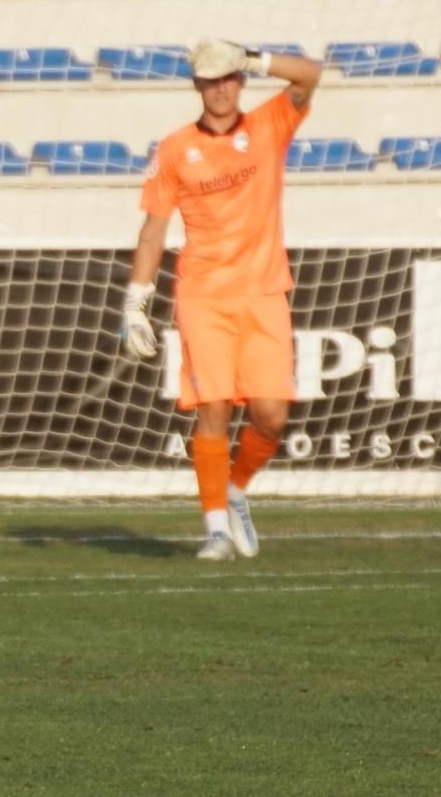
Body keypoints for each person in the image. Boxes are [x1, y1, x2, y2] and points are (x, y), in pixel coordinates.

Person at [120, 39, 322, 560]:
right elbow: (153, 231)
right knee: (211, 409)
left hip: (264, 292)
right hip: (204, 295)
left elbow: (309, 75)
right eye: (211, 80)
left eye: (229, 78)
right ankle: (213, 529)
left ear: (241, 82)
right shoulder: (173, 149)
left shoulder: (269, 125)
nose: (221, 88)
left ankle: (235, 490)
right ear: (197, 87)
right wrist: (134, 304)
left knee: (271, 416)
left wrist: (255, 57)